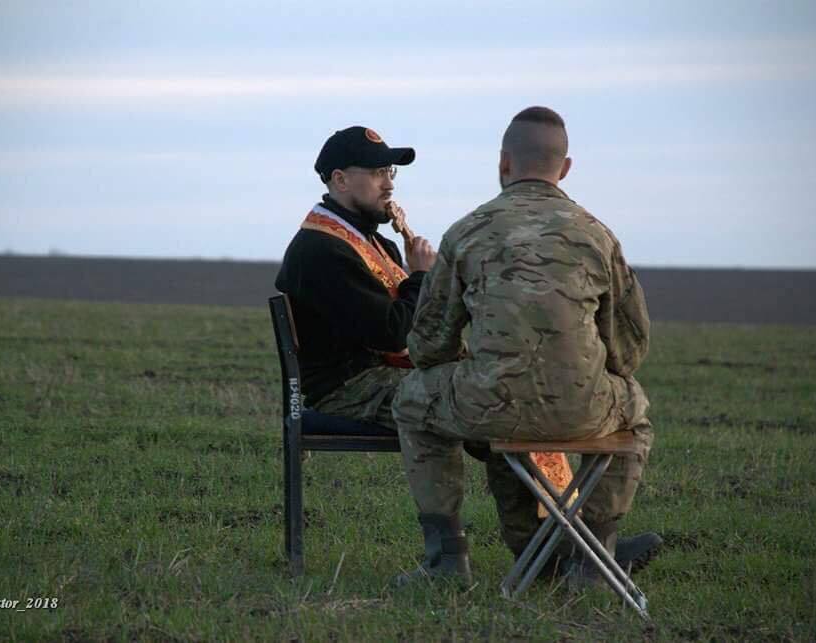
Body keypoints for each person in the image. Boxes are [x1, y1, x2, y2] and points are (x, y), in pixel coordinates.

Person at [391, 106, 661, 587]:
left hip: (486, 404)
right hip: (582, 408)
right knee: (635, 411)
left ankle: (446, 560)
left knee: (413, 400)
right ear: (566, 168)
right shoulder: (596, 236)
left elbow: (428, 345)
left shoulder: (466, 232)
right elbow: (628, 351)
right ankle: (594, 556)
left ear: (503, 163)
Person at [274, 126, 437, 426]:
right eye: (377, 172)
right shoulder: (321, 249)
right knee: (472, 403)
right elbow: (392, 334)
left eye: (390, 172)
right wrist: (422, 276)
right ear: (341, 180)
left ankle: (525, 471)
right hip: (349, 390)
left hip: (387, 376)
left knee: (492, 391)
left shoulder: (377, 242)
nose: (389, 185)